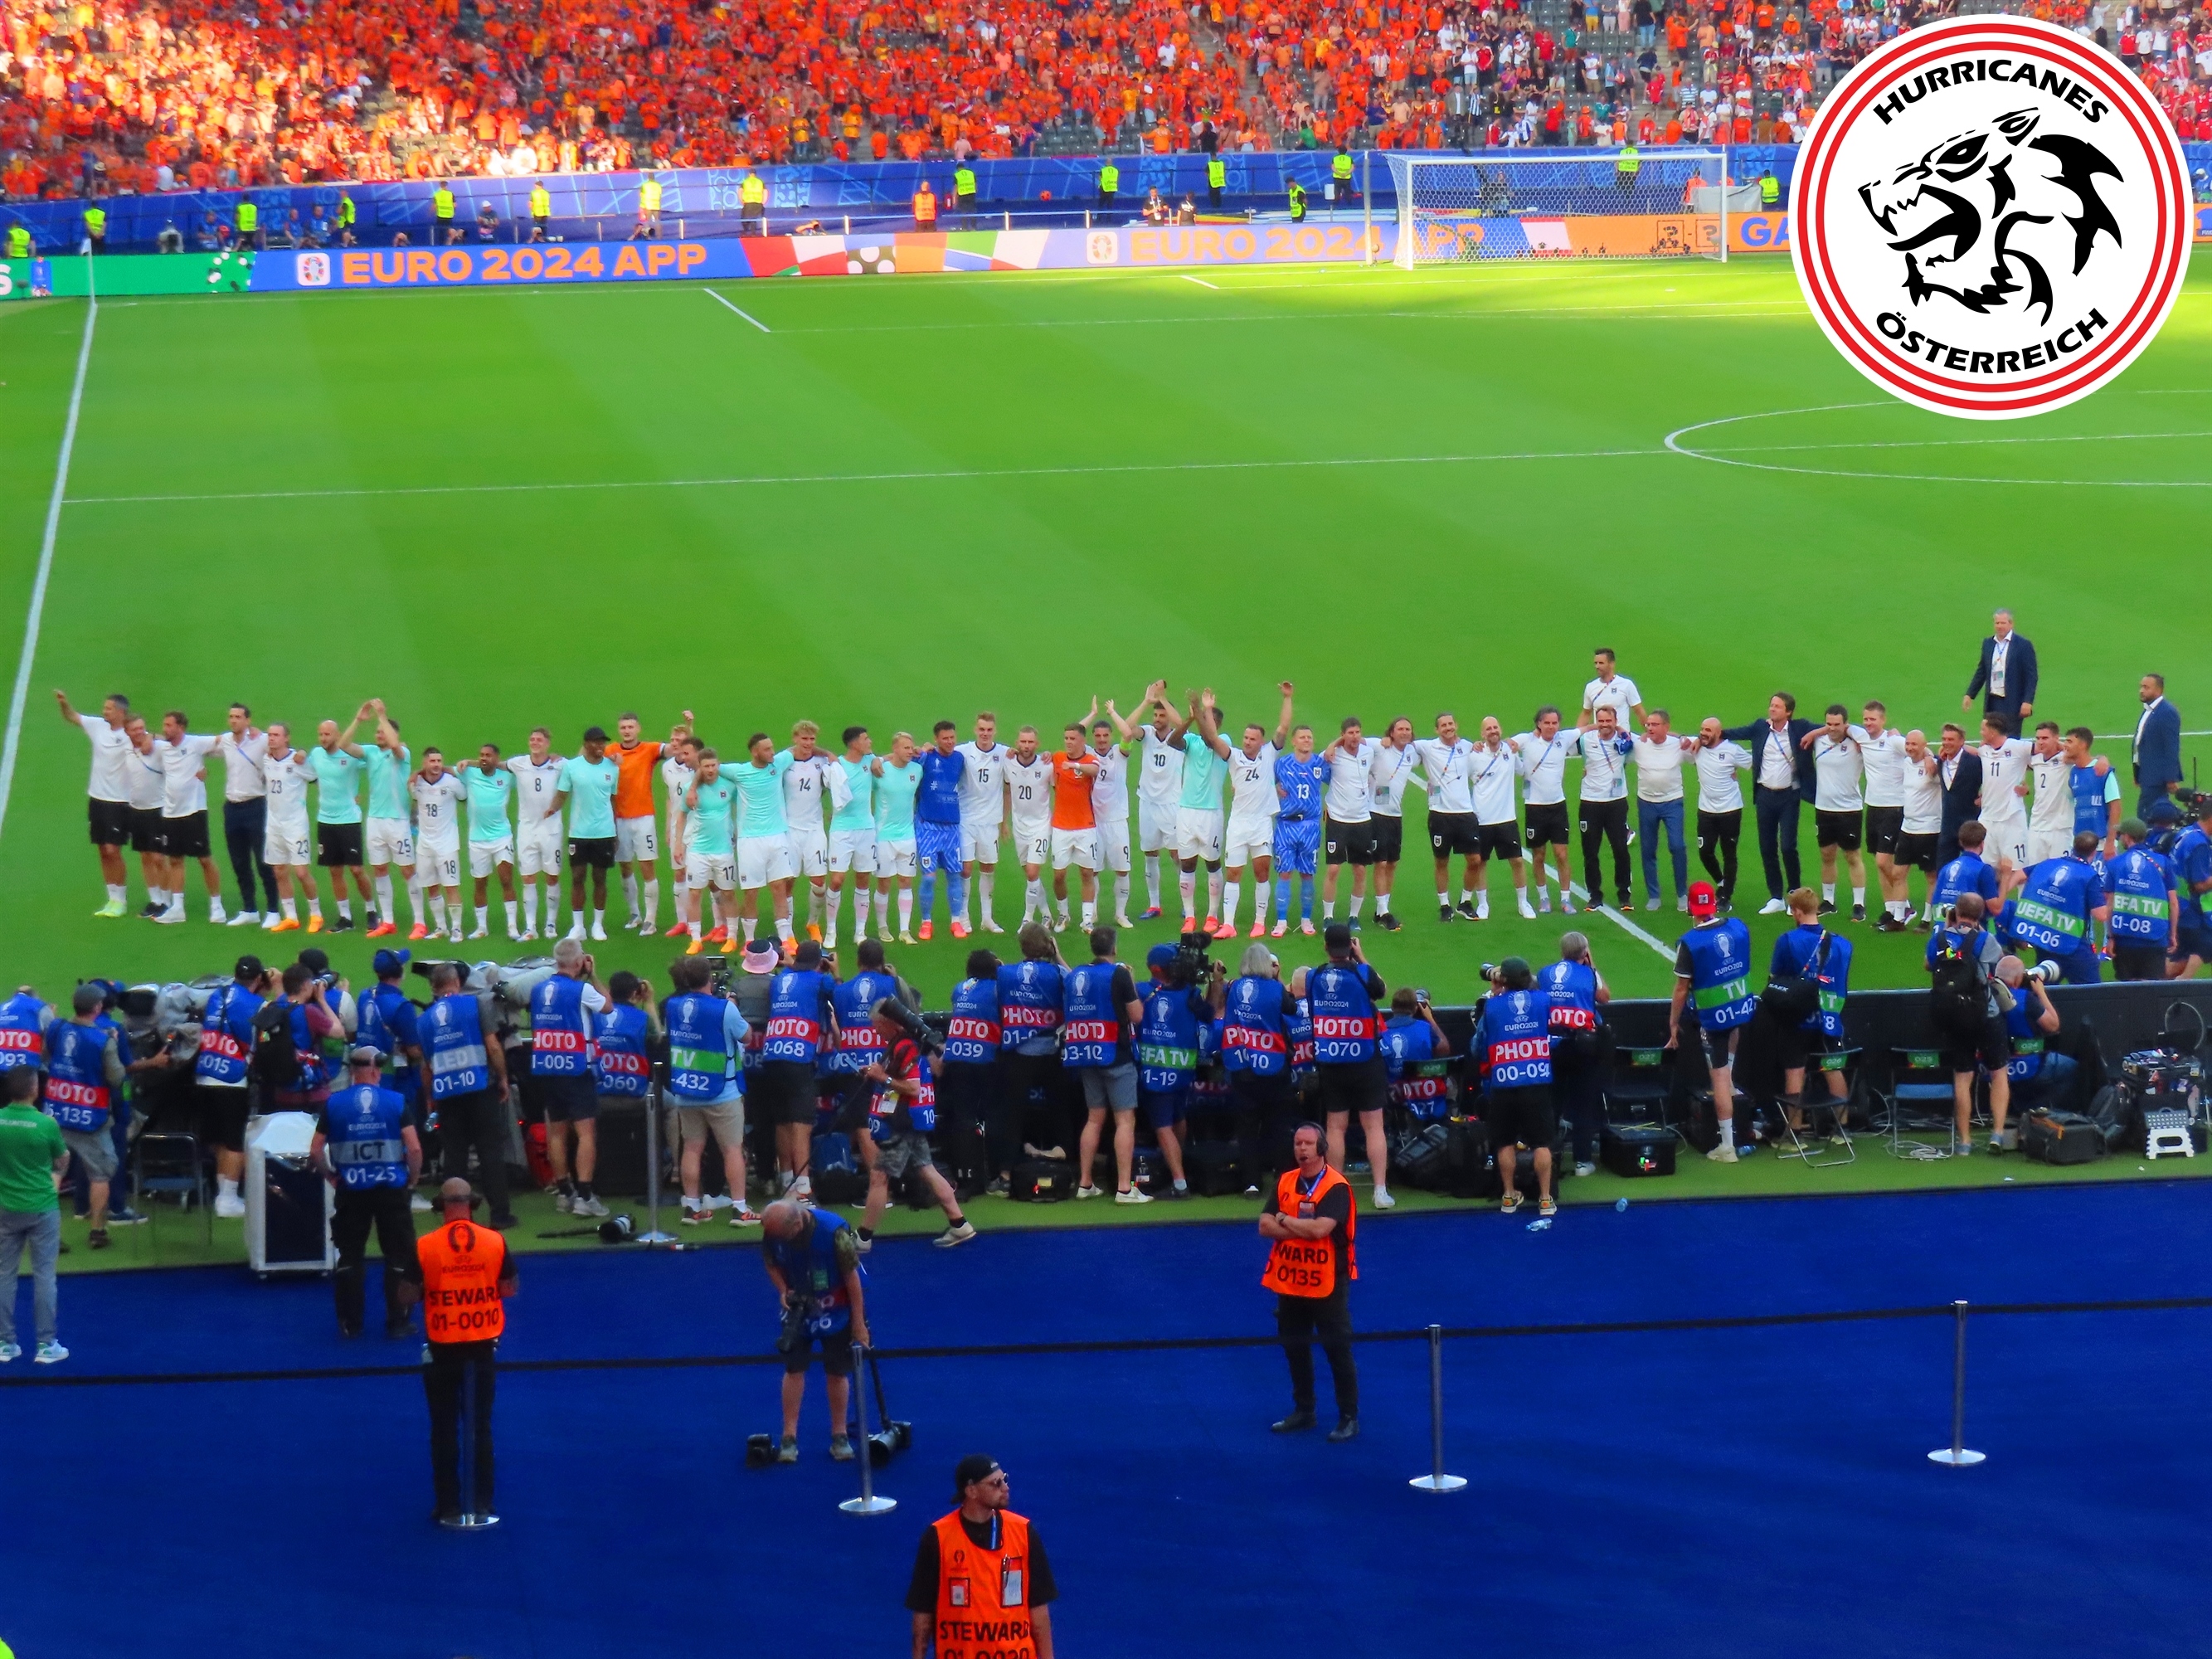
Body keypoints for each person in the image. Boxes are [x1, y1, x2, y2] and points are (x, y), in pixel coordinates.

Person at [417, 1177, 518, 1523]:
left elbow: (407, 1294)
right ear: (473, 1204)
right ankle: (482, 1501)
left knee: (443, 1428)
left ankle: (447, 1504)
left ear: (440, 1206)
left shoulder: (425, 1245)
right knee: (480, 1426)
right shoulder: (495, 1240)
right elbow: (509, 1288)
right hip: (482, 1345)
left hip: (443, 1345)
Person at [313, 1047, 424, 1339]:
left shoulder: (334, 1103)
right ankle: (398, 1321)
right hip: (391, 1189)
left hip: (351, 1189)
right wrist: (412, 1180)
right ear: (375, 1070)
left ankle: (350, 1323)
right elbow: (414, 1149)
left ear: (352, 1071)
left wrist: (331, 1176)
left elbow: (316, 1150)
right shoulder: (396, 1101)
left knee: (350, 1256)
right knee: (398, 1256)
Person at [1259, 1122, 1359, 1441]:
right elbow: (1264, 1226)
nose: (1301, 1148)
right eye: (1297, 1143)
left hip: (1328, 1282)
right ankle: (1304, 1410)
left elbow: (1320, 1230)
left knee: (1337, 1349)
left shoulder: (1336, 1186)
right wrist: (1299, 1227)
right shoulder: (1286, 1181)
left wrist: (1285, 1220)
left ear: (1322, 1148)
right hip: (1291, 1280)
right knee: (1295, 1347)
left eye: (1307, 1143)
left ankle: (1348, 1416)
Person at [907, 1456, 1058, 1659]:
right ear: (972, 1491)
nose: (1005, 1487)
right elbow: (923, 1613)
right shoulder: (938, 1537)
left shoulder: (1023, 1532)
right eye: (996, 1483)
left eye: (1005, 1479)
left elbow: (1039, 1610)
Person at [858, 1000, 976, 1248]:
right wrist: (877, 1073)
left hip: (902, 1123)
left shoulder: (904, 1046)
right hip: (910, 1120)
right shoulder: (900, 1044)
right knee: (927, 1170)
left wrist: (882, 1077)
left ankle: (862, 1238)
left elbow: (913, 1088)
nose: (875, 1030)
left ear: (889, 1023)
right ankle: (960, 1225)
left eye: (876, 1025)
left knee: (879, 1178)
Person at [761, 1197, 868, 1462]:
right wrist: (783, 1290)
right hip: (798, 1309)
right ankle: (789, 1436)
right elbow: (771, 1262)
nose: (779, 1240)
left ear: (797, 1223)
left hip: (837, 1308)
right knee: (793, 1369)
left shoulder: (834, 1234)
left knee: (837, 1371)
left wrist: (858, 1323)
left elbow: (852, 1279)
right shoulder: (774, 1230)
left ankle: (840, 1434)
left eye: (784, 1236)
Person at [661, 956, 758, 1226]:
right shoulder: (724, 1009)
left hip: (687, 1090)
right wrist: (733, 1008)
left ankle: (692, 1207)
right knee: (732, 1150)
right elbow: (747, 1036)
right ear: (710, 979)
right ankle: (740, 1209)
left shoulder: (672, 1006)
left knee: (692, 1148)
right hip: (722, 1091)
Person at [1667, 880, 1757, 1161]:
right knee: (1731, 1042)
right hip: (1740, 1004)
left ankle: (1727, 1145)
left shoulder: (1690, 942)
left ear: (1691, 908)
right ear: (1714, 904)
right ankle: (1730, 1079)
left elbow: (1681, 989)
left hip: (1714, 1015)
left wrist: (1673, 1022)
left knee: (1718, 1078)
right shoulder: (1739, 927)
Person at [422, 962, 515, 1228]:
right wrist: (503, 1078)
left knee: (454, 1157)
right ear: (458, 982)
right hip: (480, 1088)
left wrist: (430, 1098)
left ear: (433, 987)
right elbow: (493, 1047)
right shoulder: (477, 1004)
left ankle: (457, 1217)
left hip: (447, 1095)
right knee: (490, 1152)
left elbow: (426, 1067)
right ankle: (500, 1215)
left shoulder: (425, 1019)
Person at [1308, 922, 1393, 1208]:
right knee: (1373, 1125)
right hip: (1365, 1059)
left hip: (1331, 1060)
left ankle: (1335, 1191)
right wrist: (1362, 957)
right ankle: (1380, 1190)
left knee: (1335, 1126)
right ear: (1351, 946)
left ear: (1325, 947)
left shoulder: (1314, 976)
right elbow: (1381, 989)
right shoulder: (1362, 973)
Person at [1064, 927, 1146, 1203]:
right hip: (1116, 1055)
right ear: (1114, 948)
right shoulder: (1119, 974)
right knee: (1124, 1121)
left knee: (1094, 1119)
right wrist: (1131, 983)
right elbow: (1137, 1015)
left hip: (1086, 1055)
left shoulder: (1077, 974)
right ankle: (1124, 1189)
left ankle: (1085, 1183)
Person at [1764, 889, 1854, 1143]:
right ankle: (1842, 1130)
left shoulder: (1788, 940)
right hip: (1829, 1018)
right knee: (1833, 1070)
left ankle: (1795, 1135)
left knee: (1795, 1072)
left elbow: (1775, 979)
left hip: (1798, 1018)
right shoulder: (1843, 944)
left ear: (1797, 912)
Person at [1926, 893, 2010, 1155]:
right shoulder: (1986, 940)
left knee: (1962, 1078)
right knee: (1998, 1073)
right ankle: (1997, 1134)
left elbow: (1929, 964)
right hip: (1986, 1014)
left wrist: (1949, 929)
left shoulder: (1939, 939)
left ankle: (1964, 1142)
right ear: (1980, 915)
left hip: (1954, 1015)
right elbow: (1997, 963)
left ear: (1956, 911)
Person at [43, 985, 127, 1248]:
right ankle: (97, 1232)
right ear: (98, 1008)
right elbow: (117, 1078)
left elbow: (45, 1057)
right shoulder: (103, 1040)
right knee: (100, 1174)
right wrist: (113, 1045)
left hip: (56, 1113)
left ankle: (49, 1235)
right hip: (91, 1118)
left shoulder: (56, 1029)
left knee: (55, 1172)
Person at [531, 938, 610, 1217]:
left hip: (547, 1066)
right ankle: (585, 1197)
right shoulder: (582, 989)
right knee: (586, 1133)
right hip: (576, 1068)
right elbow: (608, 1007)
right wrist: (594, 975)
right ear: (579, 962)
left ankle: (565, 1193)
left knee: (556, 1132)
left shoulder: (538, 989)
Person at [1723, 693, 1818, 915]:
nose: (1772, 709)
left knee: (1787, 846)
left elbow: (1832, 728)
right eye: (1771, 705)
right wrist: (1702, 737)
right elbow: (1731, 733)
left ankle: (1794, 893)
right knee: (1767, 847)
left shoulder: (1800, 728)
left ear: (1788, 712)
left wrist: (1814, 733)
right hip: (1765, 795)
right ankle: (1776, 897)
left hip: (1789, 796)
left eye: (1777, 706)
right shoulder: (1760, 727)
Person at [0, 1064, 69, 1363]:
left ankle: (4, 1344)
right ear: (34, 1090)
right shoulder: (46, 1124)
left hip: (6, 1208)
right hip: (42, 1208)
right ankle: (45, 1345)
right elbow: (62, 1159)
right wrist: (56, 1178)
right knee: (44, 1276)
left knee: (4, 1275)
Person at [1478, 958, 1558, 1215]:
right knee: (1541, 1143)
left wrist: (1496, 990)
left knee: (1505, 1143)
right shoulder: (1543, 1000)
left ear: (1503, 980)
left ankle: (1509, 1197)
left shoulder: (1492, 1006)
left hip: (1503, 1083)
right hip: (1536, 1082)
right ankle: (1545, 1199)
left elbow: (1481, 1041)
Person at [761, 939, 839, 1197]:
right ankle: (803, 1186)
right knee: (801, 1124)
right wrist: (836, 972)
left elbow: (797, 977)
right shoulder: (821, 981)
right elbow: (840, 999)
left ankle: (786, 1181)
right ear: (819, 962)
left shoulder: (779, 980)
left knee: (782, 1121)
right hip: (799, 1058)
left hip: (772, 1056)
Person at [193, 954, 267, 1218]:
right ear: (258, 978)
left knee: (218, 1139)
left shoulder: (218, 995)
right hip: (233, 1079)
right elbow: (261, 1038)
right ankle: (227, 1198)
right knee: (235, 1141)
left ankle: (224, 1196)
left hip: (206, 1072)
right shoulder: (258, 1005)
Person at [1222, 686, 1295, 938]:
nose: (1247, 741)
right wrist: (1205, 711)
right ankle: (1228, 924)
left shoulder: (1269, 754)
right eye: (1245, 738)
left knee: (1261, 872)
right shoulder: (1234, 757)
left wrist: (1287, 698)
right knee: (1233, 873)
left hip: (1261, 822)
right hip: (1238, 823)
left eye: (1252, 739)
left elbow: (1283, 727)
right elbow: (1212, 739)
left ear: (1261, 742)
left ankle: (1259, 922)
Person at [59, 688, 137, 919]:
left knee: (113, 849)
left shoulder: (131, 734)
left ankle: (120, 900)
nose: (105, 711)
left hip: (119, 802)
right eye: (105, 708)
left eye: (109, 708)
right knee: (103, 849)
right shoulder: (97, 726)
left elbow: (155, 745)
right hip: (97, 800)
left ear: (121, 712)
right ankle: (111, 898)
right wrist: (64, 703)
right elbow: (72, 716)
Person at [1224, 943, 1299, 1178]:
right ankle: (1282, 1177)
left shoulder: (1234, 988)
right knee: (1279, 1124)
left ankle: (1251, 1182)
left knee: (1247, 1127)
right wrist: (1277, 978)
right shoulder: (1275, 989)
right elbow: (1292, 1008)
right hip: (1275, 1066)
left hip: (1242, 1065)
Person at [2001, 832, 2111, 985]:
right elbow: (2101, 914)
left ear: (2073, 846)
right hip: (2071, 944)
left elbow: (2020, 874)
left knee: (2046, 985)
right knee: (2092, 988)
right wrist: (2112, 900)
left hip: (2043, 939)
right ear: (2093, 852)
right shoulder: (2089, 875)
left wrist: (2001, 897)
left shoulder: (2048, 864)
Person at [152, 709, 226, 924]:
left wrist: (253, 734)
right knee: (175, 859)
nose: (165, 729)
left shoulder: (196, 743)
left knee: (204, 859)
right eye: (164, 725)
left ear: (181, 727)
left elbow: (223, 741)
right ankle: (177, 908)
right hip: (170, 813)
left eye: (169, 725)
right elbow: (142, 739)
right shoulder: (162, 747)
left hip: (194, 811)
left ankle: (217, 907)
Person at [1169, 690, 1232, 933]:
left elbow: (1209, 739)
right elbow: (1173, 741)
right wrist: (1190, 717)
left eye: (1210, 720)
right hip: (1187, 810)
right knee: (1187, 863)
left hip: (1211, 811)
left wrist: (1200, 710)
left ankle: (1212, 915)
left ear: (1218, 724)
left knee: (1212, 862)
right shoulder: (1191, 741)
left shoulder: (1223, 740)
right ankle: (1190, 916)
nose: (1206, 723)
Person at [611, 710, 678, 935]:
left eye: (630, 727)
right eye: (623, 727)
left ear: (638, 729)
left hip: (643, 818)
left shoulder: (649, 749)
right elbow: (588, 754)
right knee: (625, 866)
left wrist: (686, 729)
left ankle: (650, 919)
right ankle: (635, 914)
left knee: (646, 866)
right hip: (620, 818)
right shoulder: (611, 751)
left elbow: (675, 749)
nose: (627, 731)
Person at [307, 709, 374, 932]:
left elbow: (376, 761)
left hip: (349, 820)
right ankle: (345, 917)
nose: (323, 738)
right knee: (335, 870)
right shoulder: (316, 754)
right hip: (325, 820)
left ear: (337, 735)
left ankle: (371, 910)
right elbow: (303, 769)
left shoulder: (351, 756)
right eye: (320, 734)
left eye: (327, 734)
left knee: (356, 869)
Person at [1121, 681, 1184, 920]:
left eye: (1161, 715)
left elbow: (1181, 724)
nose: (1157, 719)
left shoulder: (1178, 738)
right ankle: (1154, 904)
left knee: (1177, 855)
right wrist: (1146, 701)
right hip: (1147, 801)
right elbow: (1127, 728)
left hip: (1171, 803)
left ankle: (1186, 903)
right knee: (1150, 853)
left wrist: (1163, 698)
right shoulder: (1147, 733)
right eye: (1155, 715)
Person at [1802, 704, 1868, 919]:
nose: (1832, 728)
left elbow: (1871, 735)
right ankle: (1829, 901)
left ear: (1846, 724)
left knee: (1852, 856)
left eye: (1837, 724)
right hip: (1824, 808)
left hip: (1849, 809)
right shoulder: (1819, 740)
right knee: (1827, 855)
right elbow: (1803, 733)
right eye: (1828, 724)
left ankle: (1859, 904)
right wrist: (1819, 731)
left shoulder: (1857, 743)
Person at [360, 699, 419, 939]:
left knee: (407, 870)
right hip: (375, 820)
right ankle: (388, 921)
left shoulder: (403, 755)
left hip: (397, 821)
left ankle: (420, 922)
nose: (378, 734)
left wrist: (382, 715)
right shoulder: (372, 752)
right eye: (377, 732)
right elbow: (344, 746)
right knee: (379, 869)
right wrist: (359, 719)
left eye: (382, 731)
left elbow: (395, 746)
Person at [1510, 706, 1578, 914]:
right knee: (1538, 855)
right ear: (1539, 723)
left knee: (1561, 854)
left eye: (1555, 723)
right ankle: (1544, 898)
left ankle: (1565, 899)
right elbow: (1507, 744)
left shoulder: (1564, 738)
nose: (1551, 726)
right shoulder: (1527, 740)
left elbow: (1587, 728)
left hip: (1558, 806)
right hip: (1535, 808)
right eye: (1547, 722)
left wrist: (1619, 728)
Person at [557, 726, 622, 941]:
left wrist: (615, 832)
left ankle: (597, 925)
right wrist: (550, 810)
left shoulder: (612, 768)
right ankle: (578, 926)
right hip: (579, 832)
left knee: (600, 878)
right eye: (596, 742)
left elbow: (612, 800)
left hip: (604, 832)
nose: (600, 746)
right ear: (586, 744)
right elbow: (562, 794)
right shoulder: (572, 767)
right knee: (577, 877)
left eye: (603, 742)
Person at [216, 703, 277, 927]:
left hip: (256, 806)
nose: (233, 720)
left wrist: (299, 753)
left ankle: (273, 910)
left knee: (263, 861)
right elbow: (195, 746)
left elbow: (283, 746)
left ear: (248, 720)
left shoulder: (260, 740)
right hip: (232, 808)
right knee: (239, 862)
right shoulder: (225, 741)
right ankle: (249, 909)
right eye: (231, 716)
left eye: (238, 717)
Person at [1570, 705, 1636, 910]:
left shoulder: (1626, 740)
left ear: (1616, 721)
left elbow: (1651, 740)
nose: (1605, 724)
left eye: (1609, 721)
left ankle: (1624, 894)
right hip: (1590, 802)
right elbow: (1560, 743)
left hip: (1616, 803)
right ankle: (1594, 895)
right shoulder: (1585, 740)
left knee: (1620, 849)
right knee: (1590, 852)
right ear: (1596, 721)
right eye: (1601, 721)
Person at [508, 727, 568, 941]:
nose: (535, 742)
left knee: (552, 876)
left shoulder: (560, 764)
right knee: (528, 877)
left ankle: (551, 924)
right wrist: (467, 763)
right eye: (532, 739)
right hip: (526, 829)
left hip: (551, 830)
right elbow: (493, 764)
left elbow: (582, 763)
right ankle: (530, 926)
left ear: (547, 744)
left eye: (539, 740)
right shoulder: (518, 763)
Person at [1993, 956, 2073, 1115]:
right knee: (2072, 1068)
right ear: (2018, 979)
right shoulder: (2024, 998)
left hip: (1991, 1068)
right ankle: (2041, 1110)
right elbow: (2053, 1025)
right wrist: (2040, 992)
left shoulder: (1983, 996)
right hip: (2027, 1067)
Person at [779, 720, 836, 941]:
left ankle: (813, 923)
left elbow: (836, 784)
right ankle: (788, 930)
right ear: (795, 738)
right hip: (790, 830)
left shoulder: (822, 762)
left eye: (812, 739)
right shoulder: (784, 762)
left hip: (814, 829)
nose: (808, 743)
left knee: (819, 883)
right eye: (804, 738)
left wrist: (828, 753)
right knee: (788, 881)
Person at [1319, 715, 1379, 925]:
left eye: (1357, 732)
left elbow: (1386, 744)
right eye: (1350, 733)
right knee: (1334, 869)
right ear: (1342, 735)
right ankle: (1328, 916)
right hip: (1337, 818)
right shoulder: (1332, 754)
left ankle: (1354, 916)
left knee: (1360, 870)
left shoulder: (1368, 752)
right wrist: (1334, 744)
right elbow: (1316, 764)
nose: (1354, 737)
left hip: (1362, 818)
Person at [1631, 709, 1693, 912]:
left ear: (1666, 727)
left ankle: (1682, 893)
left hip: (1672, 802)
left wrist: (1681, 736)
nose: (1649, 728)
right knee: (1648, 849)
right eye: (1648, 724)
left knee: (1677, 845)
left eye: (1655, 725)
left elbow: (1702, 744)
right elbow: (1618, 733)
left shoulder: (1678, 745)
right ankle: (1653, 895)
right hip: (1646, 802)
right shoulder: (1639, 744)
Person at [955, 713, 1009, 937]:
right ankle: (963, 916)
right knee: (966, 868)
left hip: (990, 822)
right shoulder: (963, 751)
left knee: (988, 867)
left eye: (989, 730)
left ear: (995, 731)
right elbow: (940, 754)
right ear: (975, 730)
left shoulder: (1004, 753)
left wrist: (1005, 822)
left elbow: (1023, 760)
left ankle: (987, 918)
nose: (985, 734)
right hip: (966, 820)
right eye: (982, 729)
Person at [2103, 819, 2179, 982]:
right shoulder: (2162, 862)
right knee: (2151, 990)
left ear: (2127, 837)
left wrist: (2110, 937)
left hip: (2124, 940)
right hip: (2155, 939)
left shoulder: (2115, 864)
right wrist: (2173, 934)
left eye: (2121, 834)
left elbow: (2110, 905)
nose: (2120, 838)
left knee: (2126, 990)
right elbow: (2173, 903)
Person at [827, 727, 881, 950]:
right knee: (837, 879)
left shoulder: (870, 761)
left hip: (866, 829)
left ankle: (860, 931)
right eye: (865, 739)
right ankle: (830, 930)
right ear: (853, 743)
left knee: (863, 879)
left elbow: (889, 759)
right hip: (841, 830)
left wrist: (876, 758)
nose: (870, 742)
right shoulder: (837, 766)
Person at [1690, 717, 1753, 910]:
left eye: (1708, 730)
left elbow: (1754, 764)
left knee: (1729, 854)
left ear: (1718, 733)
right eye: (1702, 729)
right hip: (1706, 811)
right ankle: (1721, 882)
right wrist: (1695, 740)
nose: (1703, 733)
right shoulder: (1697, 747)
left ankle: (1726, 896)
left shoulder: (1732, 750)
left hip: (1730, 810)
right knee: (1705, 852)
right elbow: (1677, 739)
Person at [915, 722, 968, 940]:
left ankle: (956, 921)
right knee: (929, 878)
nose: (950, 742)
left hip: (952, 827)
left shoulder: (959, 759)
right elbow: (905, 762)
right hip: (928, 826)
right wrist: (920, 750)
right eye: (945, 738)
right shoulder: (926, 758)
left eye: (952, 737)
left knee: (955, 875)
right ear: (936, 739)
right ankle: (926, 922)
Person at [1271, 722, 1325, 935]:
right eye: (1302, 737)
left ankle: (1306, 920)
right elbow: (1265, 780)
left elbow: (1339, 781)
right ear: (1293, 741)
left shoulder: (1320, 764)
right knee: (1284, 873)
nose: (1307, 740)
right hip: (1286, 825)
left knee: (1307, 873)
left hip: (1310, 825)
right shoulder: (1282, 764)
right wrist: (1274, 786)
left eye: (1309, 737)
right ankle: (1281, 921)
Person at [1365, 716, 1418, 932]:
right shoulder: (1379, 746)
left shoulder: (1412, 752)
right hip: (1376, 813)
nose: (1404, 732)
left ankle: (1381, 910)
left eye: (1408, 729)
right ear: (1392, 732)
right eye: (1400, 729)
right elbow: (1355, 740)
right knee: (1381, 863)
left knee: (1393, 863)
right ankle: (1383, 911)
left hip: (1395, 815)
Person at [409, 747, 467, 942]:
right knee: (431, 887)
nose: (436, 765)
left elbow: (464, 797)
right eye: (432, 761)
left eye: (439, 761)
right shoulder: (416, 783)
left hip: (447, 844)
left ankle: (457, 928)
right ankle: (441, 927)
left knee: (451, 886)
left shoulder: (452, 782)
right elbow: (413, 798)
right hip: (425, 844)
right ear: (424, 763)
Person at [1001, 726, 1057, 928]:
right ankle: (1047, 915)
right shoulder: (1008, 763)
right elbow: (1007, 791)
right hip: (1019, 826)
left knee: (1033, 873)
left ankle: (1028, 918)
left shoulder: (1047, 766)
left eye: (1030, 742)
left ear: (1037, 744)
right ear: (1017, 743)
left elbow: (1059, 790)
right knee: (1030, 875)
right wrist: (1004, 821)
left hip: (1041, 826)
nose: (1026, 746)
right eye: (1023, 742)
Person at [462, 743, 518, 938]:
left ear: (497, 758)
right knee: (480, 883)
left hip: (502, 837)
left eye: (488, 755)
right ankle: (481, 927)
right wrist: (417, 774)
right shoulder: (469, 773)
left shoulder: (507, 776)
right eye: (481, 755)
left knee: (506, 879)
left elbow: (528, 770)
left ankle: (512, 926)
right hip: (477, 840)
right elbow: (442, 770)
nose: (484, 758)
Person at [1087, 708, 1135, 929]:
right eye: (1097, 735)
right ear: (1093, 737)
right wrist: (1092, 714)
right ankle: (1093, 912)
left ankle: (1120, 913)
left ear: (1110, 736)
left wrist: (1113, 713)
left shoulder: (1119, 752)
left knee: (1122, 869)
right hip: (1094, 822)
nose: (1102, 740)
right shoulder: (1088, 754)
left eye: (1105, 735)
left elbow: (1128, 734)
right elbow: (1075, 733)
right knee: (1092, 870)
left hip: (1117, 821)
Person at [875, 732, 923, 942]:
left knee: (906, 881)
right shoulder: (880, 771)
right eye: (905, 748)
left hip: (907, 835)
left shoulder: (917, 770)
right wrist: (880, 759)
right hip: (884, 836)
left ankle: (904, 931)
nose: (910, 751)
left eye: (911, 748)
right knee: (884, 883)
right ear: (894, 749)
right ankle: (882, 927)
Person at [1963, 608, 2037, 727]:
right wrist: (1970, 694)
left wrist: (2028, 701)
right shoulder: (1988, 643)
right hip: (1992, 701)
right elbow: (1982, 671)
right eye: (1997, 623)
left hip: (2013, 702)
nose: (2000, 626)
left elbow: (2031, 676)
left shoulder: (2023, 645)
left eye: (2003, 623)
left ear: (2011, 624)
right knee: (1991, 734)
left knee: (2010, 736)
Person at [2168, 795, 2212, 980]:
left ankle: (2150, 984)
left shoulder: (2186, 832)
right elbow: (2200, 884)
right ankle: (2182, 982)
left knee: (2180, 956)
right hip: (2189, 909)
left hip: (2177, 903)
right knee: (2206, 945)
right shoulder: (2200, 844)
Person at [1932, 723, 1985, 875]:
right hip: (1948, 826)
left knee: (1974, 871)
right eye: (1944, 739)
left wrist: (1986, 796)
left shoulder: (1974, 762)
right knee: (1943, 872)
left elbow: (1993, 777)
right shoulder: (1941, 761)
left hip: (1970, 825)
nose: (1946, 743)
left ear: (1962, 741)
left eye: (1951, 739)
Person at [2132, 673, 2184, 818]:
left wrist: (2171, 778)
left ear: (2158, 690)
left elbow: (2171, 747)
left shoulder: (2167, 712)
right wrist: (2138, 773)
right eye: (2141, 687)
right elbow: (2140, 742)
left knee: (2147, 814)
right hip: (2148, 774)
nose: (2141, 691)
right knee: (2148, 813)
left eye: (2146, 687)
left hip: (2157, 777)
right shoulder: (2149, 710)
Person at [1578, 649, 1646, 731]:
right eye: (1596, 663)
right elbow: (1586, 713)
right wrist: (1577, 734)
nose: (1597, 666)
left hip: (1621, 737)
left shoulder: (1626, 684)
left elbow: (1639, 711)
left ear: (1612, 664)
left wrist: (1649, 732)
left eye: (1601, 663)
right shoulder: (1590, 687)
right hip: (1599, 737)